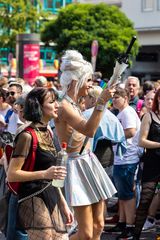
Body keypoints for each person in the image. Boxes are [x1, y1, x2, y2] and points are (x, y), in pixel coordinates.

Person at [55, 50, 117, 240]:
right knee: (87, 234)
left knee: (99, 226)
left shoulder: (77, 104)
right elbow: (89, 130)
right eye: (88, 80)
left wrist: (101, 101)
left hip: (89, 162)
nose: (90, 86)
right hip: (75, 166)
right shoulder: (64, 105)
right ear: (76, 81)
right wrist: (101, 103)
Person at [7, 87, 73, 240]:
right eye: (51, 102)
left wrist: (63, 204)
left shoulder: (49, 132)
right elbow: (12, 174)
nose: (57, 105)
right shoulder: (26, 135)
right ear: (39, 106)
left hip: (51, 194)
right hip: (32, 196)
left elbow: (54, 175)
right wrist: (45, 173)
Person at [107, 87, 142, 239]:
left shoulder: (127, 112)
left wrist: (112, 137)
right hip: (122, 158)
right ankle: (122, 222)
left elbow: (131, 132)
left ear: (125, 98)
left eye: (117, 97)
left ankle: (129, 226)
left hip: (128, 158)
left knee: (127, 194)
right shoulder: (122, 112)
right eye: (113, 98)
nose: (114, 100)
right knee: (122, 193)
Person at [133, 87, 160, 239]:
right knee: (145, 201)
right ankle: (135, 235)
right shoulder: (149, 116)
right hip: (152, 163)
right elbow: (141, 141)